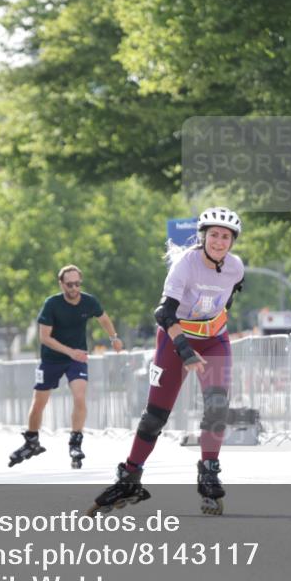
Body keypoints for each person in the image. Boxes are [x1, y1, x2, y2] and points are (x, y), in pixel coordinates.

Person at [90, 207, 245, 516]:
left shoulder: (236, 268)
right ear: (203, 237)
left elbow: (225, 302)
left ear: (232, 242)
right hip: (175, 341)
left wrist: (208, 332)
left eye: (225, 237)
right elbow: (163, 313)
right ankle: (130, 478)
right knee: (155, 417)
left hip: (214, 340)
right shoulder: (185, 265)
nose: (219, 241)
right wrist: (185, 350)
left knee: (217, 405)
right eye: (213, 235)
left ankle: (209, 474)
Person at [8, 264, 125, 469]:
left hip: (76, 358)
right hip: (52, 359)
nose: (74, 288)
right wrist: (70, 351)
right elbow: (45, 338)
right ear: (61, 284)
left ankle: (75, 443)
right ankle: (32, 441)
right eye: (69, 284)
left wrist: (114, 337)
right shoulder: (52, 304)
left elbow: (104, 318)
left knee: (79, 396)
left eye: (77, 284)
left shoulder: (88, 301)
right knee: (38, 403)